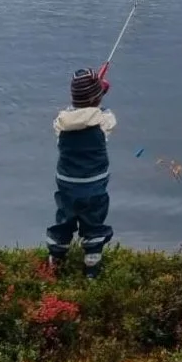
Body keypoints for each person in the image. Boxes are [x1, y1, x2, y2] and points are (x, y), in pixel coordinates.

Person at [46, 67, 117, 278]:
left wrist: (94, 94)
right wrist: (100, 94)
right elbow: (105, 116)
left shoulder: (61, 122)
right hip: (94, 183)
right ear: (97, 97)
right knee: (93, 221)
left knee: (64, 218)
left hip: (67, 181)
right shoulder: (104, 121)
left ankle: (55, 260)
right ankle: (91, 268)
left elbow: (74, 113)